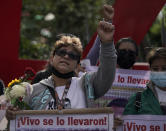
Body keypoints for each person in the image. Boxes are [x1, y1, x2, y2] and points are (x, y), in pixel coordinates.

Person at [6, 4, 117, 119]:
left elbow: (107, 74)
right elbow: (20, 122)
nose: (66, 56)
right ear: (52, 58)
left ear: (78, 64)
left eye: (73, 55)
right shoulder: (34, 91)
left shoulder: (87, 85)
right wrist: (12, 115)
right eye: (61, 52)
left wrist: (107, 44)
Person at [123, 47, 166, 115]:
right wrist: (118, 123)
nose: (159, 72)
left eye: (164, 68)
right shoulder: (138, 99)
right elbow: (126, 123)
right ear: (150, 69)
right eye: (155, 69)